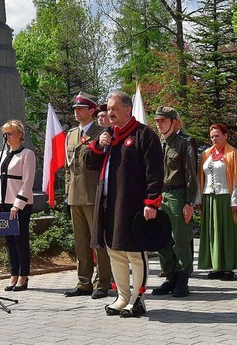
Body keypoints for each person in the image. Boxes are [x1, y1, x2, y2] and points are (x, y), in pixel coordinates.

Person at [85, 90, 164, 318]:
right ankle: (122, 297)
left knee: (134, 252)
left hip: (133, 205)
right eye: (108, 109)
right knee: (114, 251)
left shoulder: (144, 135)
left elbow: (155, 173)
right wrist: (98, 145)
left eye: (114, 109)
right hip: (109, 203)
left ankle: (138, 298)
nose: (110, 113)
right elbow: (90, 163)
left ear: (128, 109)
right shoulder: (108, 135)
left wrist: (151, 202)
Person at [62, 92, 112, 300]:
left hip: (94, 194)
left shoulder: (103, 132)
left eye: (81, 108)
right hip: (75, 195)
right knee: (80, 242)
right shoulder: (71, 134)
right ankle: (83, 282)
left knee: (98, 242)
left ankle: (102, 282)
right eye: (75, 109)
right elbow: (68, 168)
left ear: (92, 111)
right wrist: (66, 192)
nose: (77, 112)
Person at [152, 106, 197, 298]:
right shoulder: (157, 143)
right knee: (162, 238)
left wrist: (189, 203)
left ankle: (182, 277)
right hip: (160, 195)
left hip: (178, 195)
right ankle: (170, 276)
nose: (159, 124)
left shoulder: (184, 143)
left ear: (174, 122)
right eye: (157, 121)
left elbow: (191, 175)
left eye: (163, 120)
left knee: (180, 237)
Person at [196, 123, 237, 280]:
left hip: (226, 197)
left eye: (217, 136)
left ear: (226, 136)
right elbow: (200, 178)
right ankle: (216, 266)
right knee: (212, 232)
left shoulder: (233, 154)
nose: (214, 139)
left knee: (226, 232)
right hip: (209, 198)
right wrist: (199, 198)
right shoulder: (206, 154)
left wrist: (235, 201)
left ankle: (228, 267)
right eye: (212, 136)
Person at [0, 119, 36, 292]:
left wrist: (17, 204)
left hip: (19, 204)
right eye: (5, 134)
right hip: (3, 202)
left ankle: (23, 275)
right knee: (9, 240)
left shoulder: (27, 154)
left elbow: (27, 182)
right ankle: (13, 274)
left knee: (20, 239)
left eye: (10, 134)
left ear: (20, 135)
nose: (7, 137)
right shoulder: (2, 154)